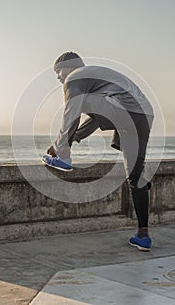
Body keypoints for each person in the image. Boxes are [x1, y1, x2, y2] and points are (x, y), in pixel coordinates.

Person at [43, 52, 154, 251]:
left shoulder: (74, 77)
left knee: (77, 102)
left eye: (58, 72)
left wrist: (60, 146)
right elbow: (96, 117)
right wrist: (72, 138)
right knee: (136, 178)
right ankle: (143, 235)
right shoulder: (95, 79)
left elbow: (72, 111)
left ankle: (64, 157)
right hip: (144, 116)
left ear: (68, 66)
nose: (59, 77)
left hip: (125, 111)